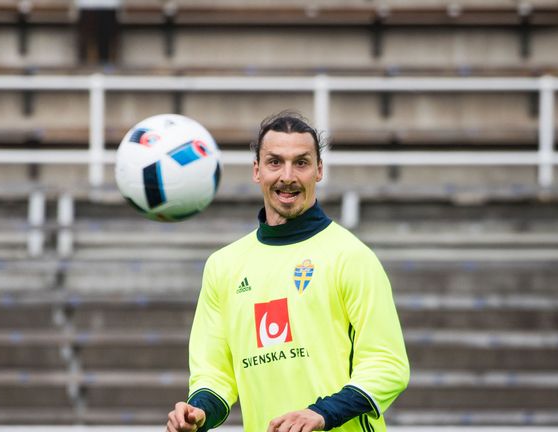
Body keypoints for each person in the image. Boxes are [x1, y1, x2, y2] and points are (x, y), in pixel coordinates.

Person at [166, 111, 410, 432]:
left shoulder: (351, 256)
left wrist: (321, 413)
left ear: (319, 170)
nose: (288, 176)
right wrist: (198, 412)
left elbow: (388, 365)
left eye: (302, 163)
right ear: (257, 171)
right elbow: (215, 373)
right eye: (275, 162)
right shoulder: (223, 266)